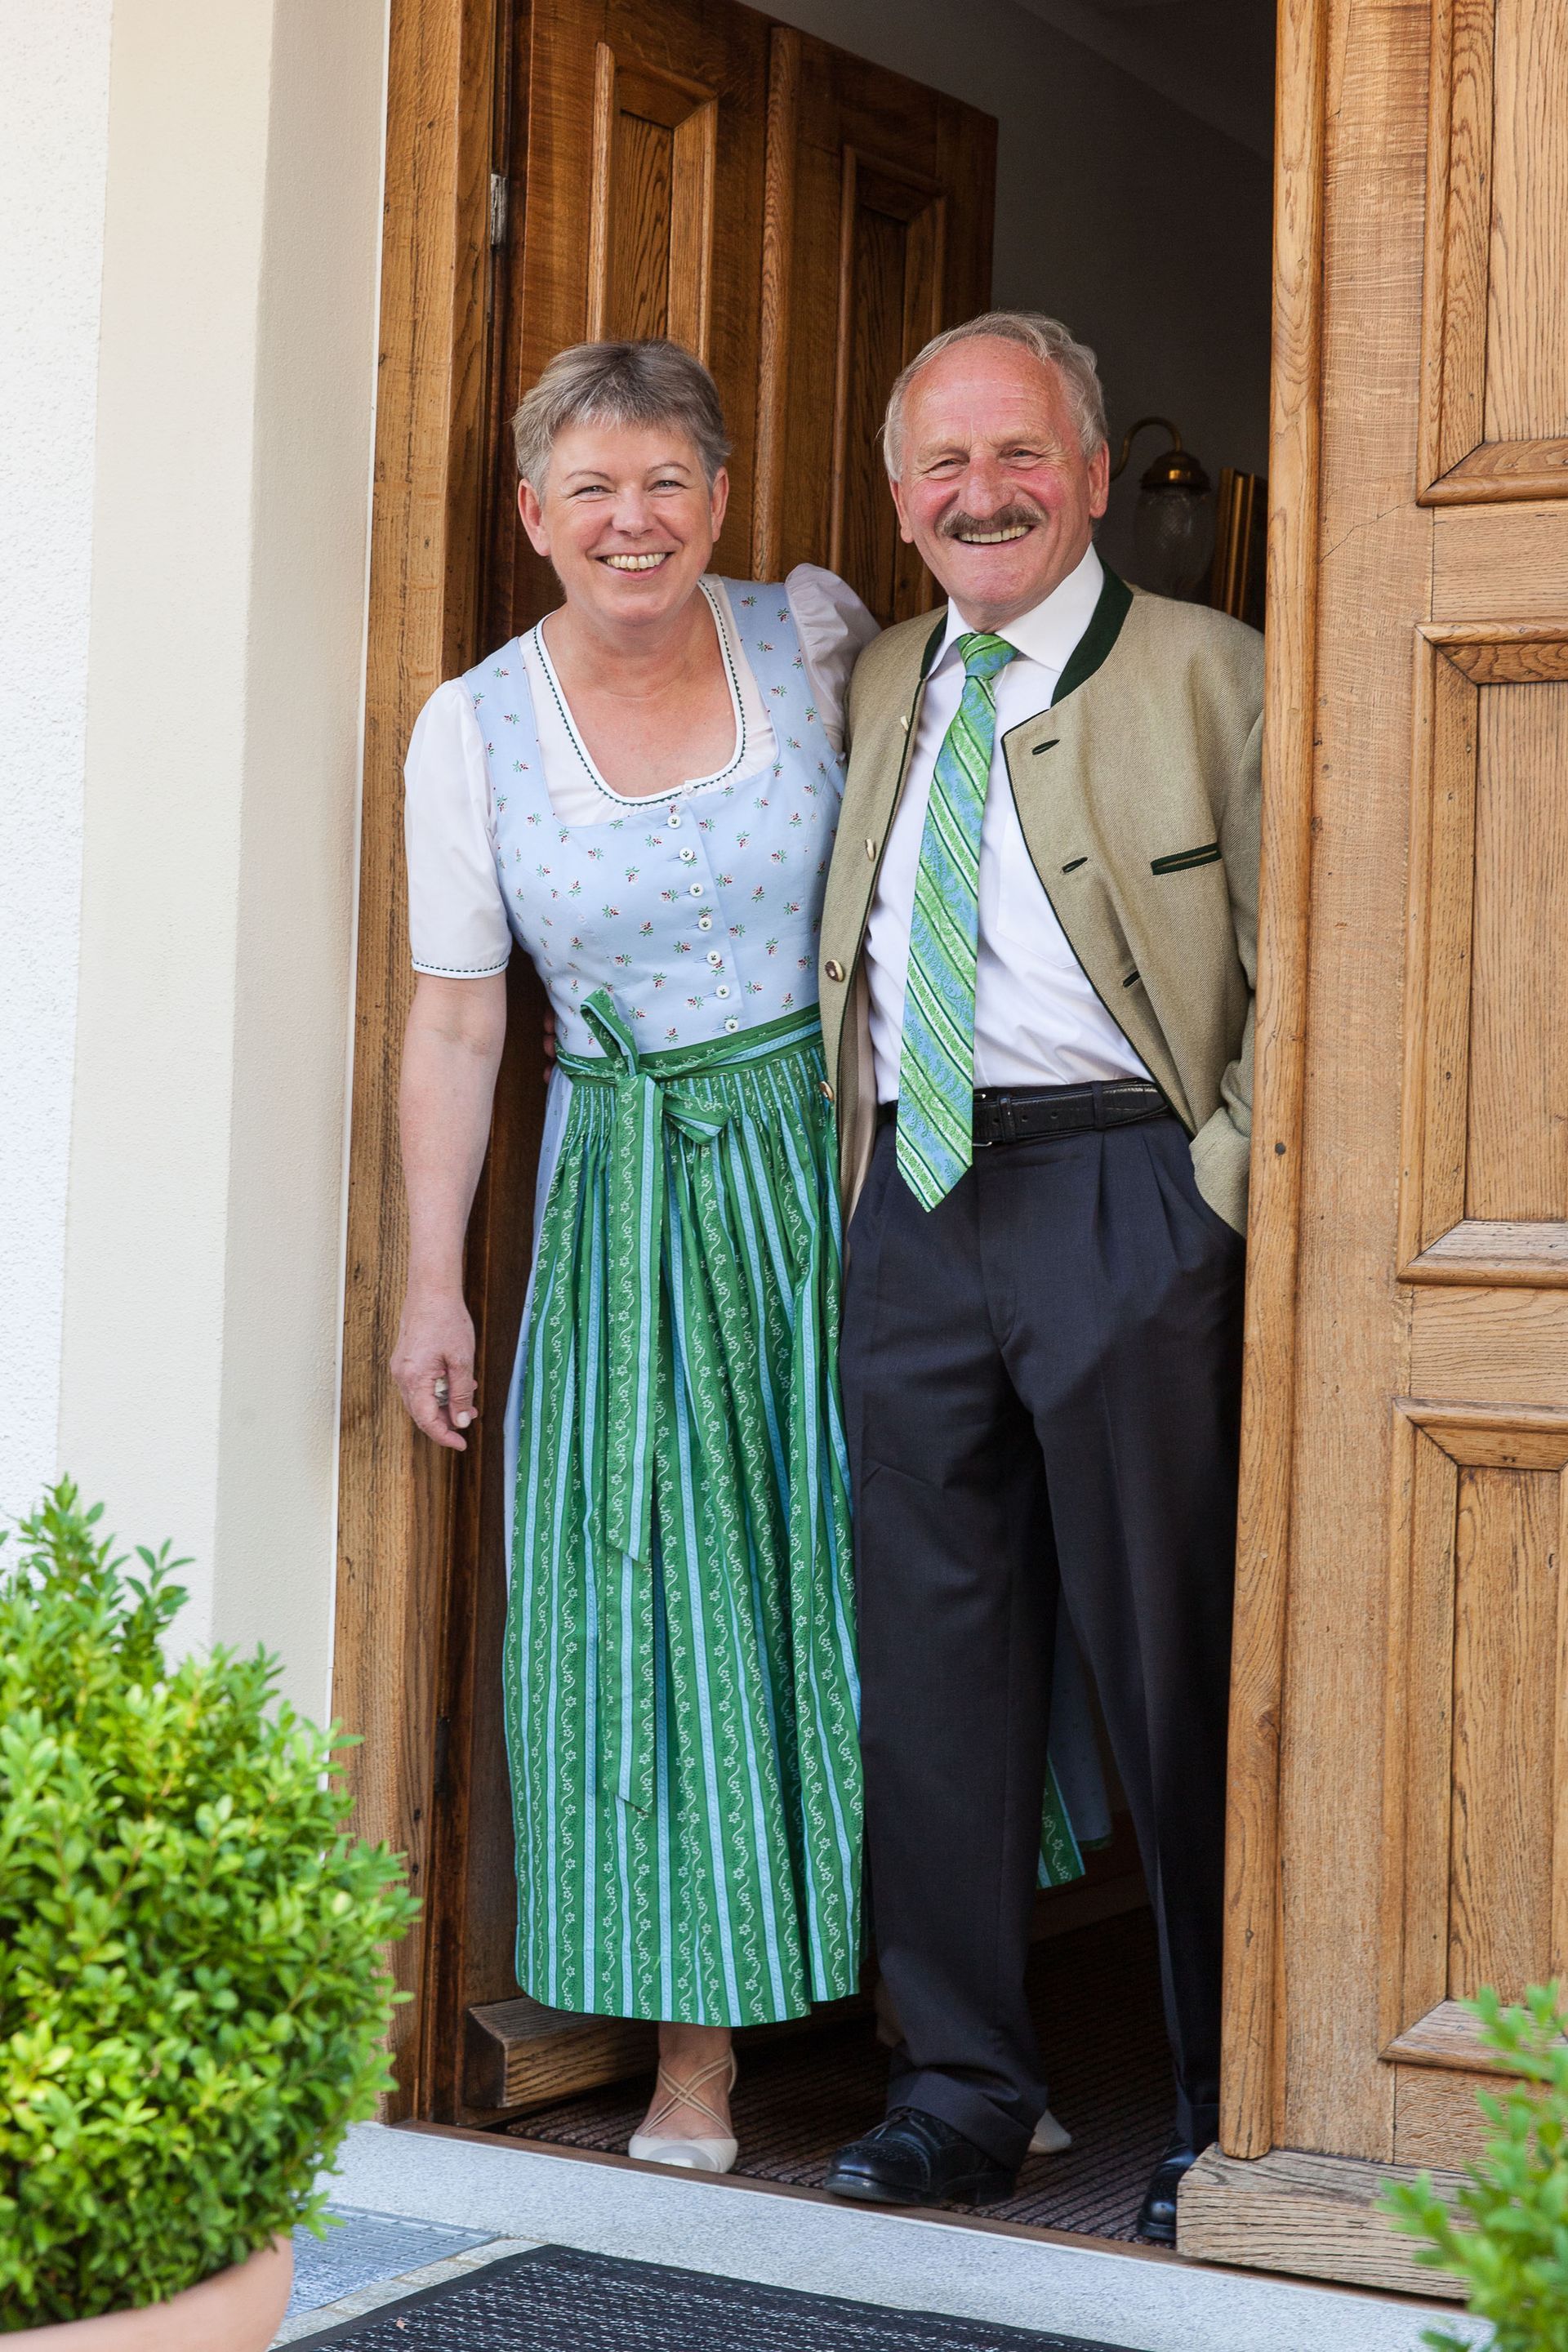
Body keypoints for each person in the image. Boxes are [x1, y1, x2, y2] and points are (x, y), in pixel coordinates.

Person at [391, 339, 879, 2172]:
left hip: (838, 1164)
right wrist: (431, 1280)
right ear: (533, 516)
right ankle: (695, 2058)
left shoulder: (813, 641)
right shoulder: (472, 728)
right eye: (591, 488)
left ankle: (946, 2023)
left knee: (890, 1568)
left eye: (668, 480)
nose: (633, 520)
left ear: (722, 498)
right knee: (656, 1606)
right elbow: (458, 1020)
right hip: (628, 1197)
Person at [817, 312, 1261, 2243]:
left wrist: (1213, 1197)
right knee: (935, 1668)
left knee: (1176, 1666)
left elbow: (1312, 964)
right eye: (944, 463)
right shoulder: (879, 676)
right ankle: (961, 2093)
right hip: (917, 1200)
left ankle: (1229, 2109)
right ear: (899, 494)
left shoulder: (1216, 672)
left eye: (1019, 457)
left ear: (1088, 475)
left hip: (1126, 1200)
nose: (980, 494)